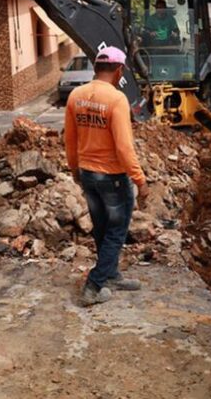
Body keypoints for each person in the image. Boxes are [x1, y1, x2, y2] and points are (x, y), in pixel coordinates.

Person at [64, 47, 149, 307]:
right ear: (119, 71)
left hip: (88, 174)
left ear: (95, 67)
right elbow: (124, 147)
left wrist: (75, 169)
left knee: (102, 228)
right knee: (116, 231)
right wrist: (140, 180)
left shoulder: (76, 96)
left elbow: (70, 140)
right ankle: (93, 285)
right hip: (112, 177)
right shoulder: (116, 99)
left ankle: (110, 276)